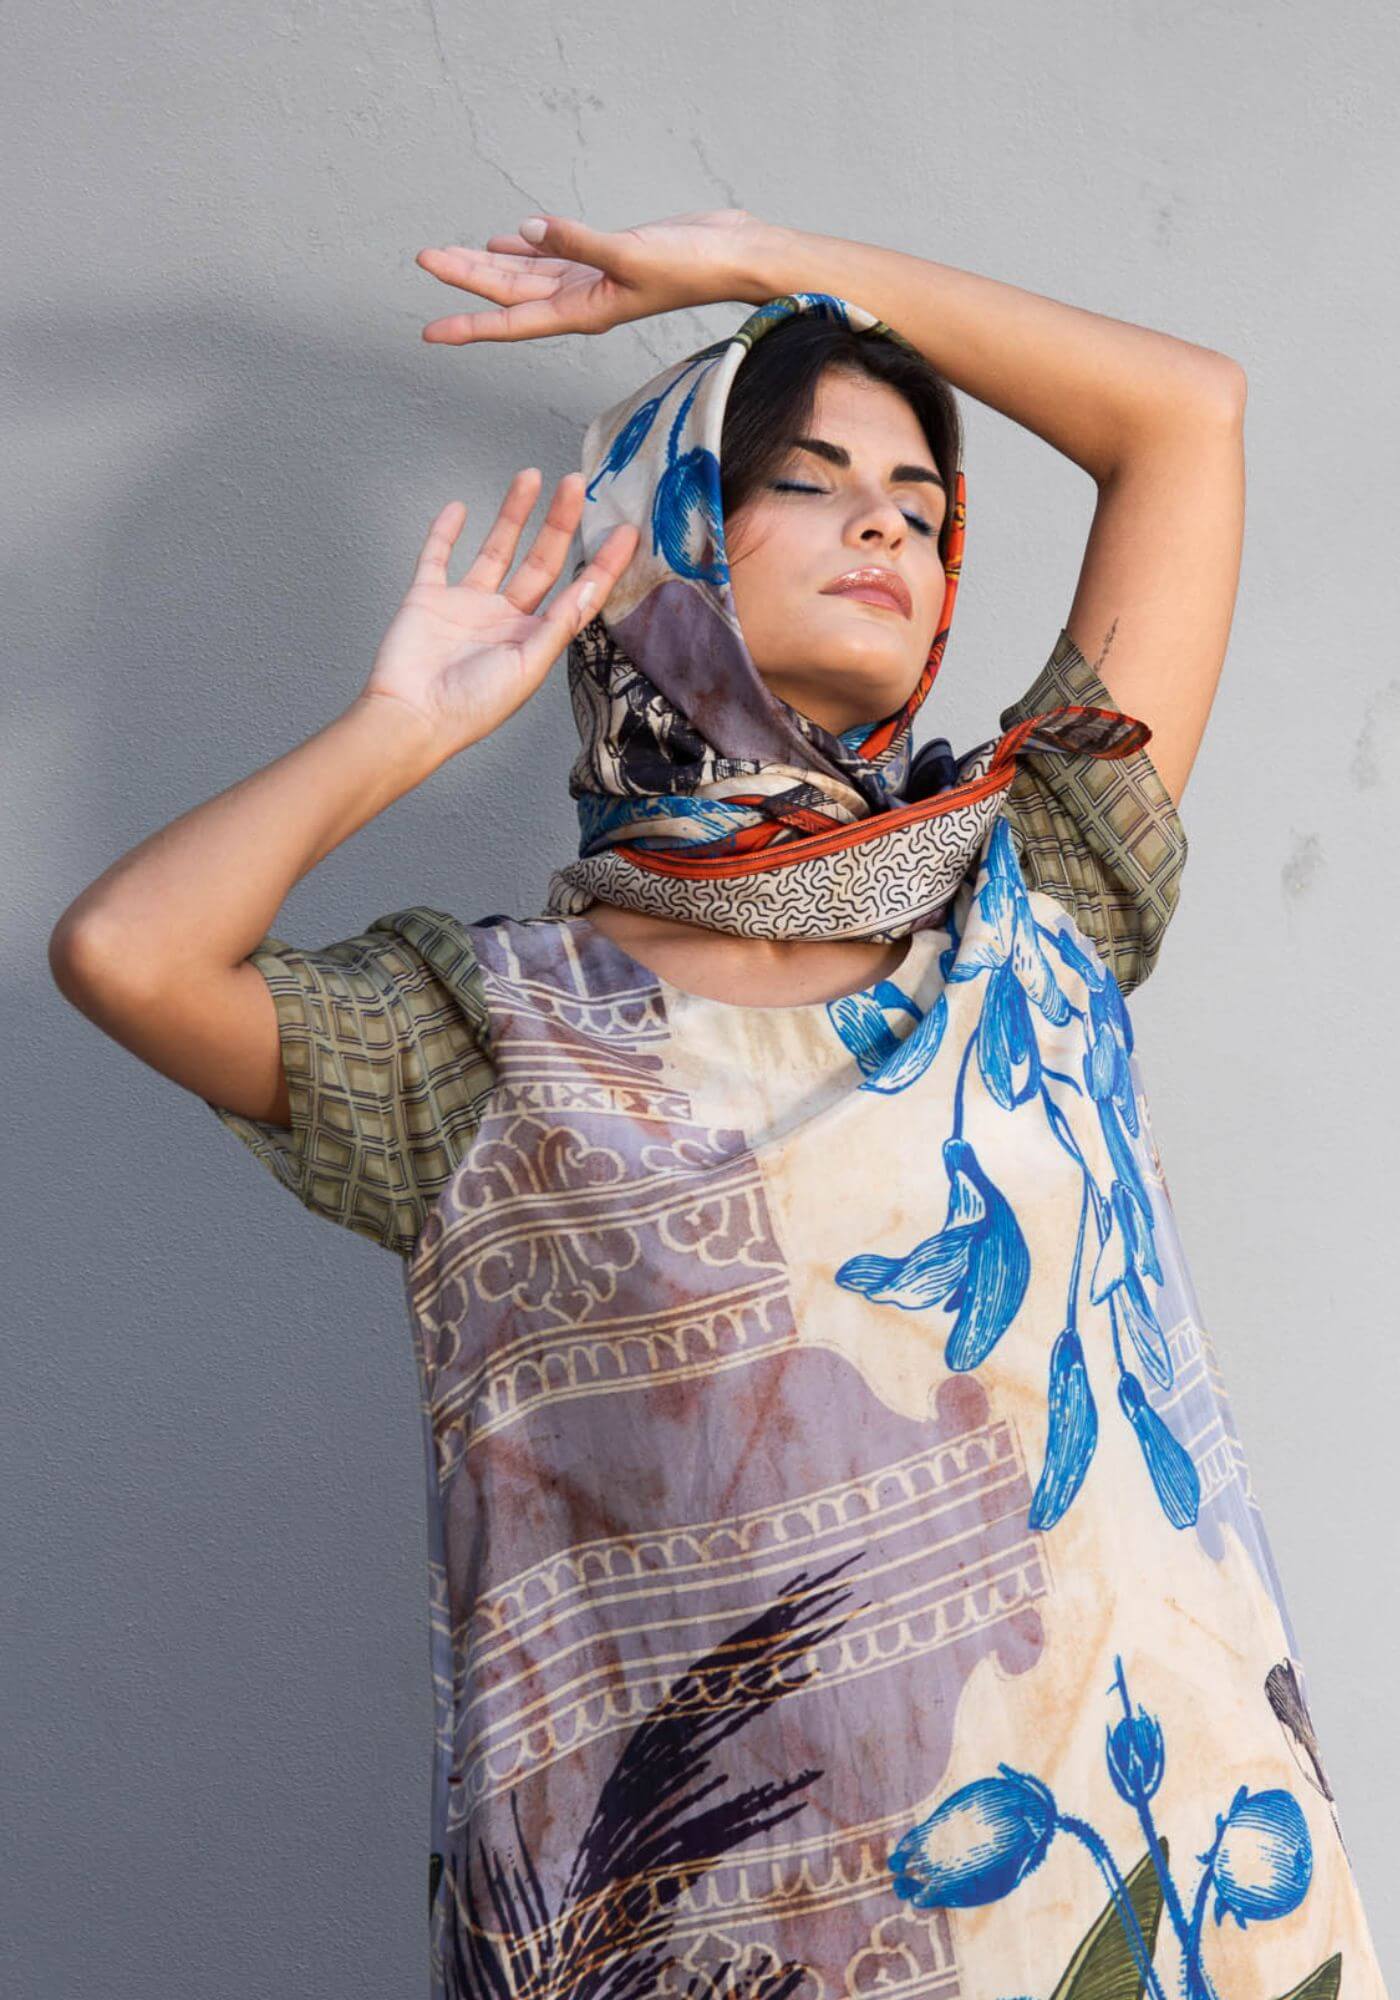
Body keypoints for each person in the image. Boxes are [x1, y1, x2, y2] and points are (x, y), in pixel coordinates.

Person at [49, 210, 1389, 1999]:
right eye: (810, 485)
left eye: (919, 507)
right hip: (721, 1953)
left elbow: (1183, 417)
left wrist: (763, 262)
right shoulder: (479, 1038)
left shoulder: (1033, 899)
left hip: (1159, 1909)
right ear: (666, 549)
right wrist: (402, 725)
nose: (886, 531)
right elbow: (128, 954)